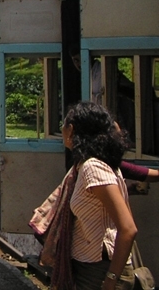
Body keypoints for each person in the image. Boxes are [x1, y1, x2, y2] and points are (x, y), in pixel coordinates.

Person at [56, 102, 137, 290]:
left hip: (98, 271)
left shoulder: (93, 168)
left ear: (72, 129)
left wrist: (110, 279)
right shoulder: (91, 165)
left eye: (64, 124)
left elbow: (128, 229)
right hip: (91, 267)